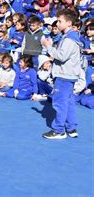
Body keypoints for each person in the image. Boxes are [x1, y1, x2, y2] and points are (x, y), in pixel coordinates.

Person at [41, 9, 83, 139]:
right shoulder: (69, 37)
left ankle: (59, 130)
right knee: (69, 102)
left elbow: (61, 56)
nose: (57, 24)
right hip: (68, 75)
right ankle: (71, 128)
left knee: (59, 103)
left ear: (69, 23)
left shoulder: (70, 39)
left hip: (65, 76)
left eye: (60, 21)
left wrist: (48, 47)